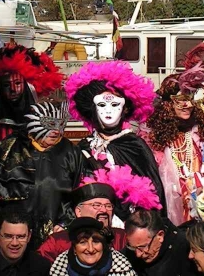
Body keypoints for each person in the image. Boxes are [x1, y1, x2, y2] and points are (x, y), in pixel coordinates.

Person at [66, 60, 165, 216]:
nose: (108, 112)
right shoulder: (84, 146)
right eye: (102, 105)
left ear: (124, 109)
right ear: (92, 109)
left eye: (114, 105)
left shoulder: (134, 145)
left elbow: (153, 191)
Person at [0, 99, 84, 247]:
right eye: (50, 124)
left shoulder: (71, 153)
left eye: (61, 125)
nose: (56, 131)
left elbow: (78, 194)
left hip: (55, 237)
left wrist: (65, 223)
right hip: (14, 236)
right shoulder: (11, 148)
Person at [0, 43, 64, 190]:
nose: (12, 89)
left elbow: (57, 161)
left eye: (18, 83)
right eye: (6, 85)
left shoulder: (45, 118)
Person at [144, 64, 204, 225]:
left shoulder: (201, 131)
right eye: (180, 100)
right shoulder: (153, 137)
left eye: (190, 99)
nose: (187, 105)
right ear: (167, 104)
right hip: (171, 208)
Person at [38, 181, 127, 262]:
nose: (104, 210)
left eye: (108, 206)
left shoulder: (122, 237)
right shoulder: (58, 241)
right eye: (97, 205)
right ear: (79, 212)